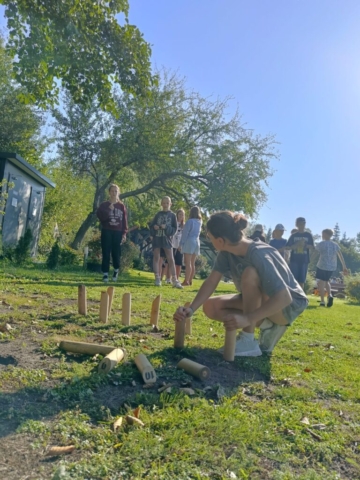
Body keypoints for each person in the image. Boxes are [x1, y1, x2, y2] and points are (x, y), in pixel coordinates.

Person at [173, 211, 308, 357]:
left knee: (250, 273)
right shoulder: (226, 252)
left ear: (220, 240)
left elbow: (284, 297)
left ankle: (247, 341)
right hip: (269, 301)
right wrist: (191, 309)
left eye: (210, 237)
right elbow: (212, 281)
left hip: (288, 306)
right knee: (211, 307)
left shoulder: (258, 254)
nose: (209, 240)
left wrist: (248, 319)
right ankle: (268, 326)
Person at [96, 184, 128, 282]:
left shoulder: (121, 206)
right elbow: (101, 218)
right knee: (106, 252)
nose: (114, 193)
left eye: (115, 191)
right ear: (109, 192)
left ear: (118, 193)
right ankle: (105, 273)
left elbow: (124, 221)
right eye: (112, 191)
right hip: (107, 230)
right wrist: (108, 210)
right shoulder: (104, 205)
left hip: (117, 231)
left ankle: (116, 270)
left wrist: (124, 233)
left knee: (116, 252)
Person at [149, 196, 183, 288]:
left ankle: (174, 280)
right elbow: (151, 226)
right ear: (161, 204)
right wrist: (154, 227)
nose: (165, 205)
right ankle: (157, 278)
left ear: (170, 204)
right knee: (156, 257)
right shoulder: (158, 214)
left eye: (167, 203)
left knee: (170, 259)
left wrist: (166, 228)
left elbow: (174, 229)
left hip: (167, 240)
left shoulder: (172, 216)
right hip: (157, 238)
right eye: (163, 203)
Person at [315, 228, 348, 307]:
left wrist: (310, 261)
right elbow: (340, 255)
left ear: (326, 234)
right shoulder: (335, 245)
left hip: (322, 265)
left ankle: (322, 301)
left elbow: (315, 253)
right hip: (331, 267)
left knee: (321, 282)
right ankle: (330, 295)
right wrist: (344, 266)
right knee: (326, 281)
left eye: (323, 234)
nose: (322, 235)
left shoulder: (321, 244)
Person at [285, 217, 314, 290]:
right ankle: (294, 296)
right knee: (293, 280)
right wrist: (295, 245)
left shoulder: (308, 235)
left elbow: (312, 247)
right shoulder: (293, 235)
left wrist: (305, 245)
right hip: (294, 259)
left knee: (302, 280)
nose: (302, 225)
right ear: (296, 224)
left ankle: (301, 297)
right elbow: (287, 247)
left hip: (304, 260)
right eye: (300, 224)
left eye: (303, 223)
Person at [179, 206, 202, 286]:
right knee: (192, 263)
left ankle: (186, 281)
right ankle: (190, 280)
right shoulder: (200, 222)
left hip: (190, 241)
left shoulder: (190, 221)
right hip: (197, 241)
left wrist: (181, 244)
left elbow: (185, 234)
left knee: (187, 262)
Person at [163, 209, 185, 284]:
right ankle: (168, 278)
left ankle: (176, 278)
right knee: (170, 261)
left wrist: (181, 245)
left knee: (178, 263)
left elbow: (184, 236)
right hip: (172, 244)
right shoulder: (173, 223)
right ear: (177, 215)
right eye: (179, 214)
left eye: (182, 215)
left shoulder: (184, 225)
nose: (181, 216)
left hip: (179, 246)